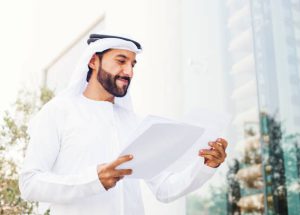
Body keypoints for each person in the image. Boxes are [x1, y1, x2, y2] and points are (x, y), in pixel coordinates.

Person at [19, 33, 228, 215]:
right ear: (93, 60)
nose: (129, 71)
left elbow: (164, 188)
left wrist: (206, 166)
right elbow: (30, 184)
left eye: (132, 64)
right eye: (121, 61)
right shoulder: (58, 112)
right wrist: (94, 179)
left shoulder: (133, 122)